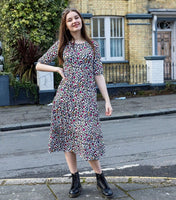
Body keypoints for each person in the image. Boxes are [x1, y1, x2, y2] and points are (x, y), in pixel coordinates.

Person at [36, 8, 113, 198]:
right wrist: (56, 68)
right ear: (66, 25)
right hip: (65, 98)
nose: (74, 22)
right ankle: (75, 179)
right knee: (68, 140)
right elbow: (39, 64)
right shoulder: (62, 45)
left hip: (86, 99)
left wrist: (107, 100)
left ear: (81, 20)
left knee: (88, 138)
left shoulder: (93, 45)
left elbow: (98, 74)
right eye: (69, 20)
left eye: (76, 18)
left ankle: (100, 177)